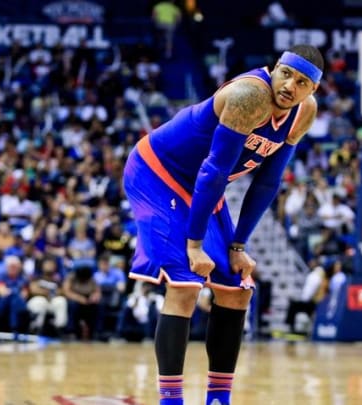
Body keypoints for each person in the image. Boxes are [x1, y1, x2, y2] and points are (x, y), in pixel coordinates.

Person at [123, 44, 322, 405]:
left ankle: (218, 398)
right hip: (157, 172)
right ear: (273, 68)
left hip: (201, 187)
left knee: (237, 287)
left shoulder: (304, 113)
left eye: (302, 81)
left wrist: (238, 246)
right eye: (286, 73)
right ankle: (171, 400)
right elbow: (213, 171)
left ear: (313, 90)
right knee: (186, 284)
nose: (290, 85)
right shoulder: (250, 95)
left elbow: (267, 182)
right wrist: (195, 244)